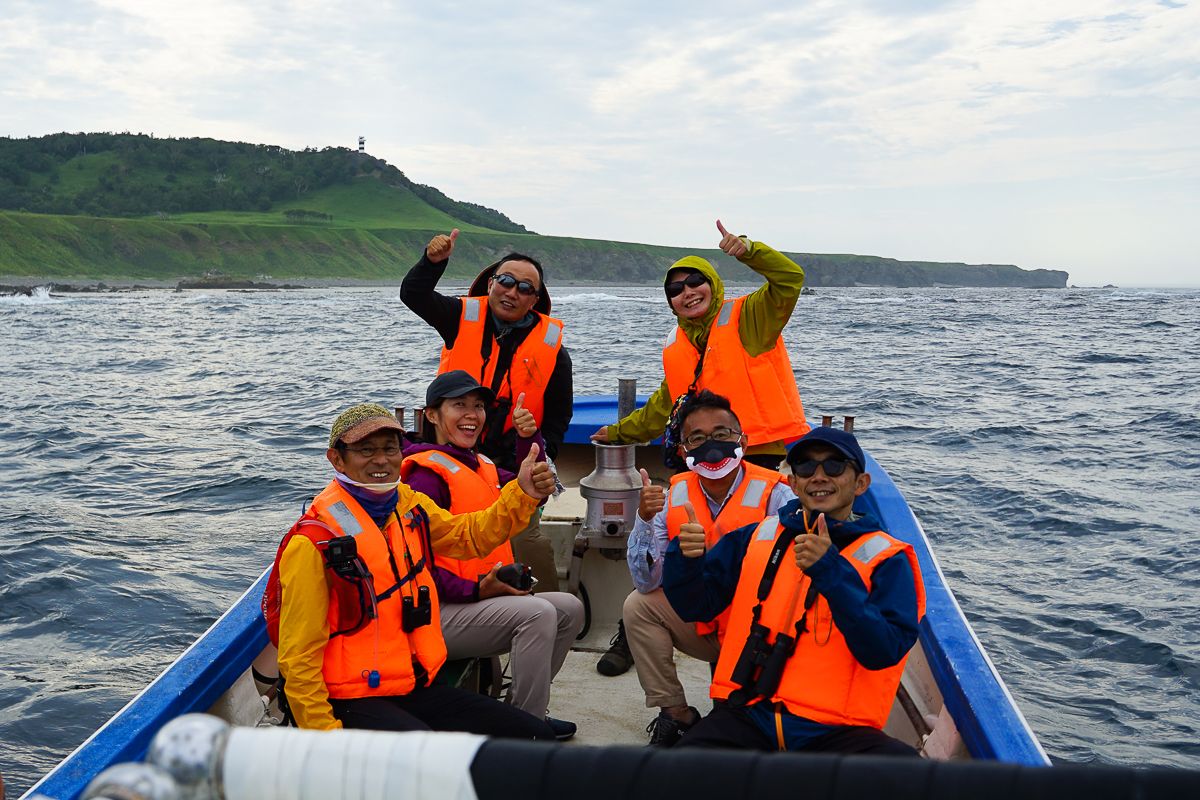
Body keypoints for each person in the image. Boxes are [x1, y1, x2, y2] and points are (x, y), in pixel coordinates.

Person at [264, 402, 557, 738]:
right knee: (435, 767)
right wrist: (327, 738)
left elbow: (469, 536)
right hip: (347, 698)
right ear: (337, 459)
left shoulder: (406, 503)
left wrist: (523, 495)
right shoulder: (314, 542)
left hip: (411, 685)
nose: (381, 459)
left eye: (390, 448)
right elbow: (298, 659)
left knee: (534, 737)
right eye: (365, 450)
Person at [662, 427, 926, 754]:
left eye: (834, 466)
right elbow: (696, 606)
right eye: (805, 467)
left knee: (908, 772)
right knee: (669, 774)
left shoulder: (887, 559)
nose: (818, 476)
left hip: (836, 733)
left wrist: (831, 573)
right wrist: (686, 559)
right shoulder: (756, 536)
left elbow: (883, 651)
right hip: (749, 714)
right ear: (792, 482)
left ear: (861, 484)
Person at [401, 370, 584, 740]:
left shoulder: (477, 464)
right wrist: (475, 590)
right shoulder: (425, 477)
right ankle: (525, 733)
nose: (472, 414)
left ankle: (519, 714)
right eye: (459, 405)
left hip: (479, 600)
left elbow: (525, 483)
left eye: (479, 406)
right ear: (432, 415)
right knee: (538, 615)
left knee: (570, 609)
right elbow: (414, 563)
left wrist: (528, 437)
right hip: (436, 611)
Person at [622, 390, 795, 746]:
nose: (710, 445)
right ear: (683, 450)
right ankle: (675, 713)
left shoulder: (777, 496)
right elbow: (645, 581)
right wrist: (643, 518)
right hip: (699, 621)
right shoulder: (672, 496)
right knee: (638, 607)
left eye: (721, 434)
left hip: (757, 633)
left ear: (742, 441)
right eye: (697, 438)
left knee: (735, 724)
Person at [402, 229, 571, 593]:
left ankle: (548, 606)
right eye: (506, 281)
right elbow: (413, 294)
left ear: (535, 300)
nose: (512, 292)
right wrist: (433, 261)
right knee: (444, 537)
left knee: (526, 541)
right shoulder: (457, 316)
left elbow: (558, 418)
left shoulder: (554, 352)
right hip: (449, 452)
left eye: (525, 288)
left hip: (512, 461)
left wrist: (542, 460)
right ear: (491, 283)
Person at [591, 220, 810, 469]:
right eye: (675, 289)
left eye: (695, 281)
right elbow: (663, 407)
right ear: (670, 301)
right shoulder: (678, 344)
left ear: (712, 283)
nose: (688, 291)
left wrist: (749, 251)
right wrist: (618, 432)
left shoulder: (750, 317)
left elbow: (790, 279)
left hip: (754, 454)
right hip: (698, 455)